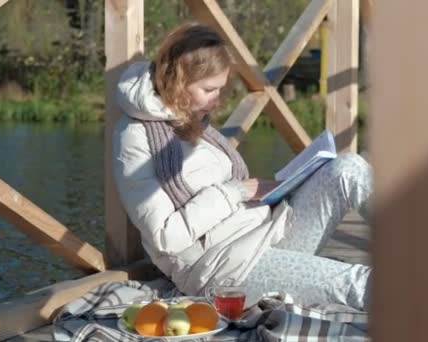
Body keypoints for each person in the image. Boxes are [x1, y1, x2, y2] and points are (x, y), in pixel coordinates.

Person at [112, 22, 372, 311]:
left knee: (348, 168)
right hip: (225, 269)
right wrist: (235, 191)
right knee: (359, 282)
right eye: (209, 89)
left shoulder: (191, 120)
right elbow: (164, 237)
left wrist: (278, 187)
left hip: (268, 232)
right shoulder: (135, 137)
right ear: (175, 79)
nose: (218, 99)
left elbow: (230, 192)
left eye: (220, 89)